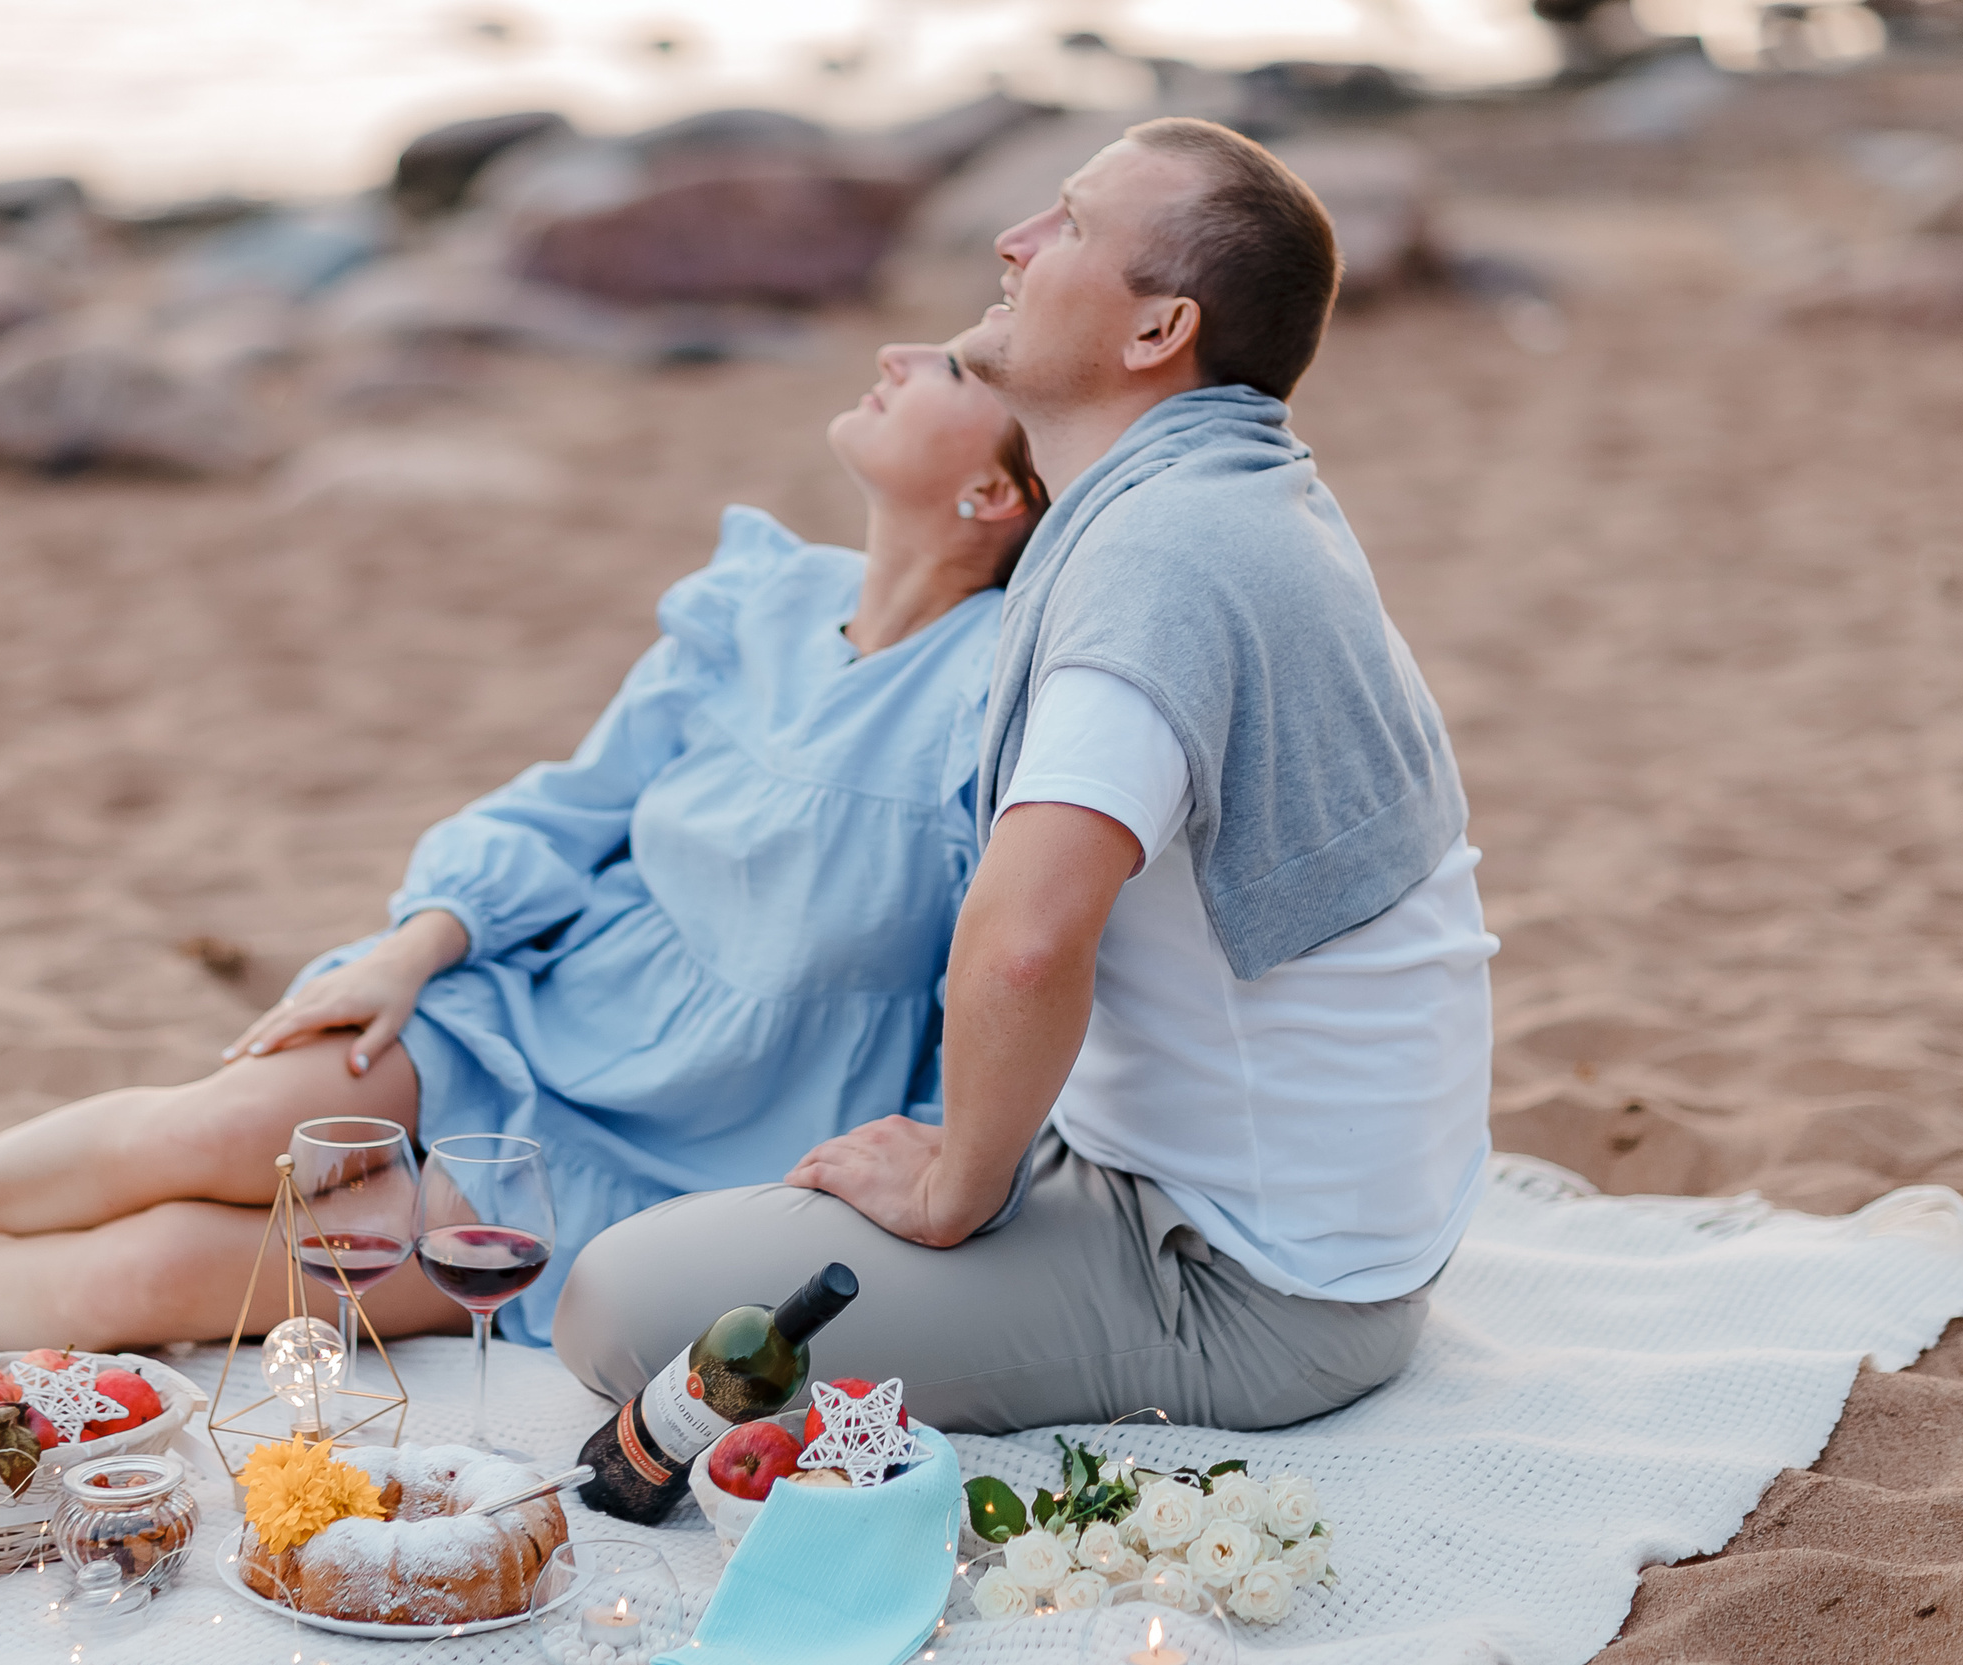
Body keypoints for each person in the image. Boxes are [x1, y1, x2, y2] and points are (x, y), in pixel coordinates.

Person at [0, 338, 1050, 1353]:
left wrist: (934, 1149)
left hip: (698, 1140)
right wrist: (420, 946)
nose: (903, 353)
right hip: (534, 1000)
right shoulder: (756, 599)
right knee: (218, 1133)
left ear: (991, 497)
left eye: (957, 372)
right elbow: (569, 806)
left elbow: (1002, 961)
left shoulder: (997, 696)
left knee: (180, 1269)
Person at [555, 117, 1498, 1436]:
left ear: (1156, 330)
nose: (1014, 241)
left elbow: (1022, 941)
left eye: (1066, 223)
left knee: (617, 1302)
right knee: (762, 1178)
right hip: (1309, 1219)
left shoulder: (1158, 560)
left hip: (1249, 1285)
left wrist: (959, 1182)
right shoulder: (1238, 497)